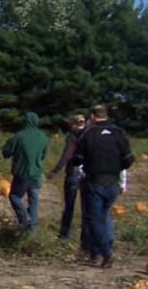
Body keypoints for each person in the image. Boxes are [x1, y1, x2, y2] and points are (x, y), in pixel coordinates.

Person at [72, 105, 134, 268]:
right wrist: (117, 167)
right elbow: (128, 159)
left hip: (95, 180)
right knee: (104, 214)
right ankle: (98, 248)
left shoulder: (88, 134)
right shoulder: (119, 133)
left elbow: (78, 158)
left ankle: (105, 252)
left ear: (92, 116)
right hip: (113, 180)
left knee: (95, 218)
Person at [1, 111, 49, 232]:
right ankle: (30, 231)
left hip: (22, 174)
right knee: (33, 200)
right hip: (37, 174)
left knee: (14, 196)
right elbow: (43, 155)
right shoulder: (43, 137)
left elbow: (6, 153)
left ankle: (25, 219)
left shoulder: (18, 137)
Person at [46, 114, 86, 240]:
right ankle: (86, 236)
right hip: (89, 173)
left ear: (73, 124)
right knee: (87, 206)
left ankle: (65, 235)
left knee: (69, 206)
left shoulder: (72, 136)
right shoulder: (91, 134)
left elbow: (67, 154)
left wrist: (56, 170)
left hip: (74, 172)